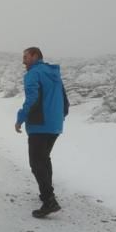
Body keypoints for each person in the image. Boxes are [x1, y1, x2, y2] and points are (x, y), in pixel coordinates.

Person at [15, 47, 69, 218]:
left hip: (39, 124)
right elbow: (64, 99)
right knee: (44, 159)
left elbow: (32, 98)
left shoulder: (33, 73)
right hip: (54, 125)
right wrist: (59, 116)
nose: (23, 60)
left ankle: (49, 201)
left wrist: (20, 118)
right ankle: (48, 192)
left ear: (35, 56)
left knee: (36, 162)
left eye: (26, 57)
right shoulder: (54, 73)